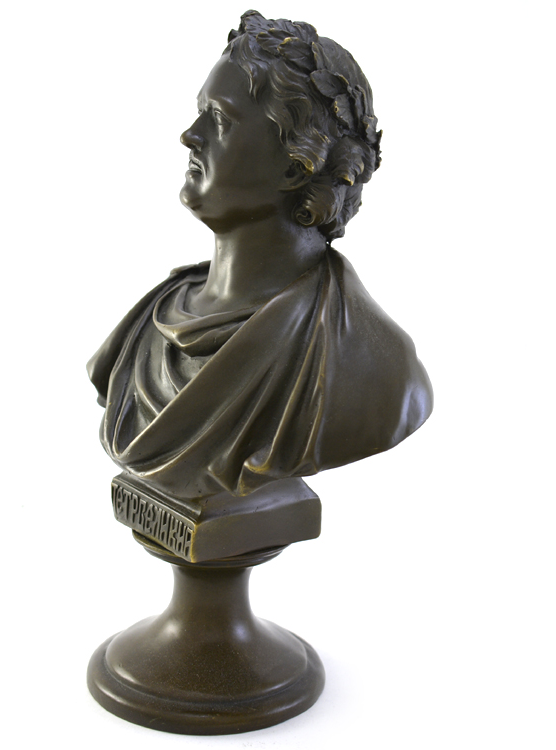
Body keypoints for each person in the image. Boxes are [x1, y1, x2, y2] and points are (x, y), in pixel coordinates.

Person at [87, 11, 433, 500]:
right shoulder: (147, 323)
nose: (190, 135)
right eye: (200, 112)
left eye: (219, 119)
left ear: (295, 165)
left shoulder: (375, 368)